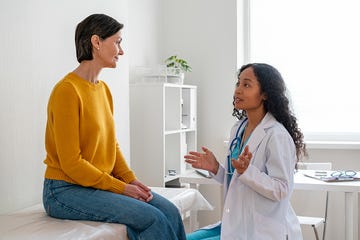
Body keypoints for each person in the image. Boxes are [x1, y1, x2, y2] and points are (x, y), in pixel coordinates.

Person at [42, 13, 186, 240]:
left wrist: (129, 179)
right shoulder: (67, 91)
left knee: (169, 211)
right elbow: (71, 163)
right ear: (96, 42)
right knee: (153, 218)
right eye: (117, 42)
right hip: (64, 191)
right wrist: (120, 188)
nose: (122, 51)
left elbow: (111, 144)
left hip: (94, 186)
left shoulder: (103, 90)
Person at [185, 63, 306, 239]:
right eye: (238, 84)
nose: (238, 91)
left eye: (246, 85)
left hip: (262, 229)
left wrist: (247, 171)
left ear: (265, 94)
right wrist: (216, 169)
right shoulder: (238, 128)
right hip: (237, 223)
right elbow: (236, 180)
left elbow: (281, 189)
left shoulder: (276, 135)